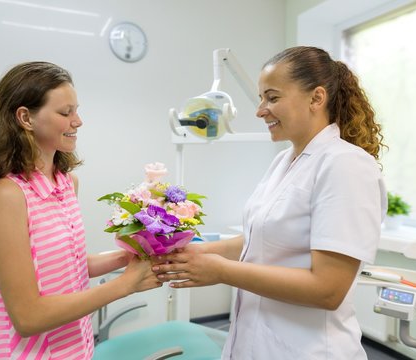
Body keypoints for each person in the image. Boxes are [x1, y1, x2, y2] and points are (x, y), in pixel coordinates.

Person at [152, 46, 388, 359]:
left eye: (272, 98)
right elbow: (260, 239)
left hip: (309, 349)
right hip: (255, 342)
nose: (260, 109)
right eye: (262, 98)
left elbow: (328, 289)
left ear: (316, 98)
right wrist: (189, 253)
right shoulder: (284, 161)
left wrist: (221, 271)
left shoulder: (346, 165)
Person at [0, 61, 162, 359]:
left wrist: (134, 253)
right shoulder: (7, 196)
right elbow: (27, 317)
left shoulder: (66, 183)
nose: (78, 121)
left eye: (76, 110)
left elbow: (69, 265)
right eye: (65, 112)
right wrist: (126, 284)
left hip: (75, 347)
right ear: (25, 118)